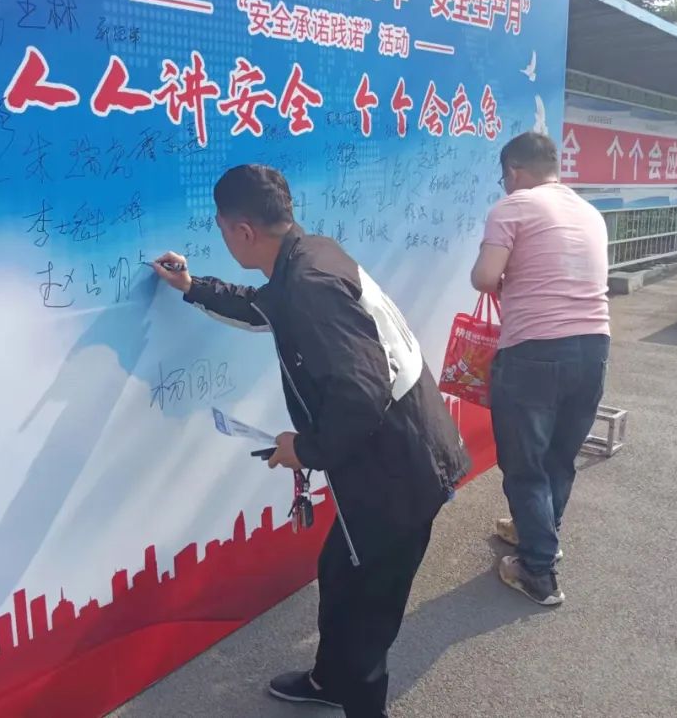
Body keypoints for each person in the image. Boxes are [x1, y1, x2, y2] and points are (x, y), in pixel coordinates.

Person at [154, 164, 470, 718]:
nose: (223, 238)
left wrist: (304, 449)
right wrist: (193, 286)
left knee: (366, 617)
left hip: (400, 473)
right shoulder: (309, 256)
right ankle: (329, 681)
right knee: (339, 573)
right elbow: (264, 308)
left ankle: (357, 699)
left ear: (243, 231)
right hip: (393, 458)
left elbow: (363, 395)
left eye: (222, 229)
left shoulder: (310, 285)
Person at [470, 132, 610, 607]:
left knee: (525, 464)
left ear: (513, 171)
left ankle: (538, 572)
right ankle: (541, 533)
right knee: (559, 456)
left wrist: (505, 277)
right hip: (594, 348)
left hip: (534, 352)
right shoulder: (588, 212)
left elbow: (484, 277)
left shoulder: (513, 207)